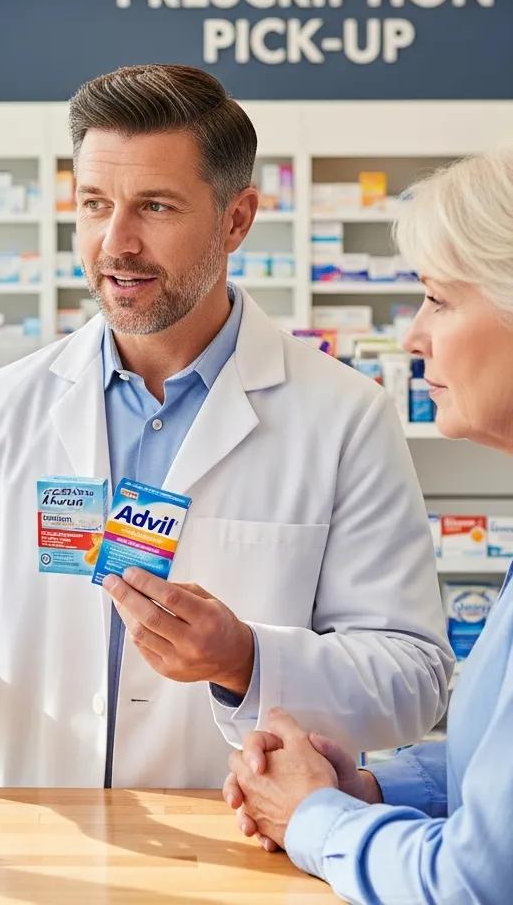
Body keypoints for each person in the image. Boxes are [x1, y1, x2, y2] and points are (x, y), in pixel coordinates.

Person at [0, 63, 452, 788]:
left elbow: (413, 680)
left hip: (236, 847)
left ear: (237, 219)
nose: (116, 242)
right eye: (96, 203)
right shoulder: (1, 407)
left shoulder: (344, 416)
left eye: (156, 207)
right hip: (39, 847)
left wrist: (246, 660)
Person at [224, 147, 513, 902]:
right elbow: (492, 773)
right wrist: (374, 786)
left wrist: (314, 816)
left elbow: (476, 882)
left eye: (439, 301)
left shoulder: (346, 412)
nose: (413, 338)